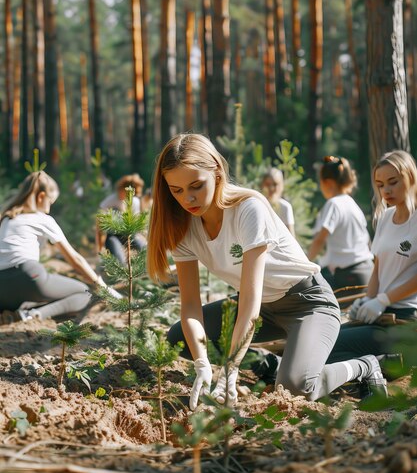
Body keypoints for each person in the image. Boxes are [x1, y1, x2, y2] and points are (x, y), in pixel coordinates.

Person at [146, 133, 387, 410]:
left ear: (216, 172)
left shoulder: (249, 209)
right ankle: (267, 363)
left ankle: (364, 366)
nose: (188, 198)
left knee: (295, 388)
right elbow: (190, 306)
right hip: (262, 312)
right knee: (180, 339)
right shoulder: (183, 227)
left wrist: (231, 367)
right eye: (176, 190)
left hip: (307, 304)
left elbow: (249, 298)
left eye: (196, 186)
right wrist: (203, 364)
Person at [328, 150, 417, 365]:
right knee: (328, 341)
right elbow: (378, 268)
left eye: (393, 182)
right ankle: (378, 367)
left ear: (411, 178)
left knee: (334, 347)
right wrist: (369, 299)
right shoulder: (385, 217)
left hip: (405, 318)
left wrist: (383, 300)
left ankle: (379, 368)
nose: (386, 190)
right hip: (381, 314)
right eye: (380, 184)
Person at [0, 171, 120, 325]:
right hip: (27, 275)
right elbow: (75, 260)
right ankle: (33, 314)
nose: (49, 208)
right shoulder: (42, 219)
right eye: (50, 202)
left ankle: (20, 312)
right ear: (41, 196)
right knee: (85, 294)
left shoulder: (6, 218)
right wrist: (102, 287)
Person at [307, 156, 373, 292]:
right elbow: (367, 241)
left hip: (348, 277)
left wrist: (305, 263)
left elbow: (320, 240)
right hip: (368, 272)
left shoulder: (333, 204)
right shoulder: (353, 204)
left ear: (328, 183)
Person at [96, 173, 147, 265]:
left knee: (145, 251)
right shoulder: (110, 201)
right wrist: (100, 248)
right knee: (120, 263)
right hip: (112, 235)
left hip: (130, 235)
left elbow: (135, 225)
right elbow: (99, 225)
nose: (119, 193)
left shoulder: (135, 202)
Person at [260, 168, 295, 236]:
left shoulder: (285, 207)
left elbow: (291, 237)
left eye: (275, 184)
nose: (271, 188)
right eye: (267, 184)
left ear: (282, 186)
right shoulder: (258, 205)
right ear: (262, 185)